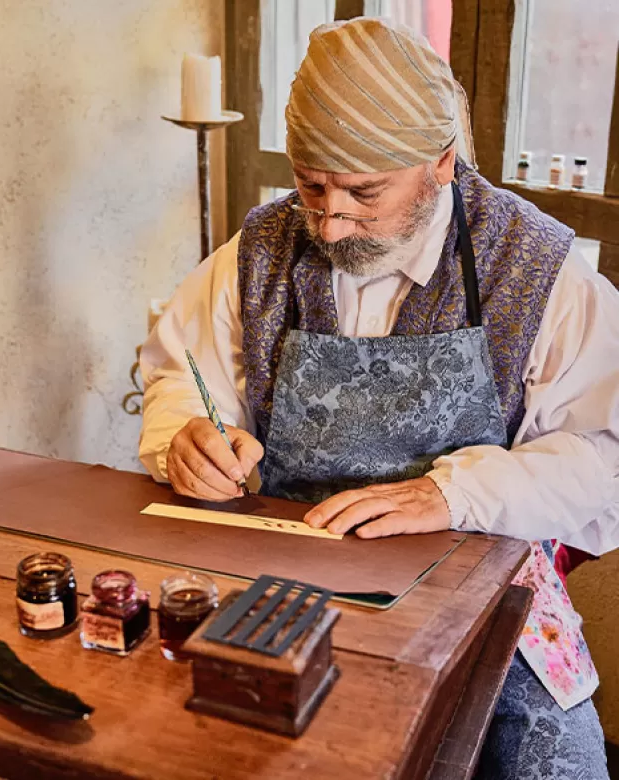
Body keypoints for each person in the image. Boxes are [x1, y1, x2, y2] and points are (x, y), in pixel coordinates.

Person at [140, 17, 618, 780]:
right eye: (311, 183)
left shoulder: (534, 267)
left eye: (364, 191)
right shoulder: (262, 249)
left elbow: (606, 457)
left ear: (440, 164)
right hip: (286, 566)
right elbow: (179, 374)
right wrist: (186, 435)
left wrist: (454, 493)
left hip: (484, 583)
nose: (329, 220)